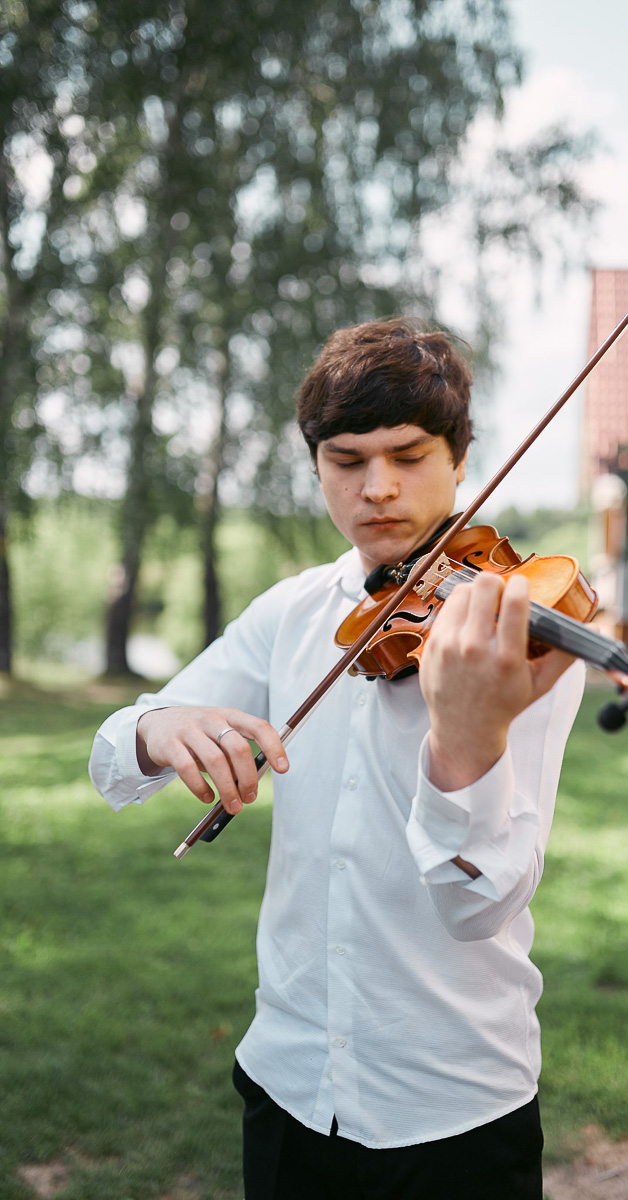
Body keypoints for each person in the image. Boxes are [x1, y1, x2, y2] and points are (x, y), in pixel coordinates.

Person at [89, 317, 585, 1200]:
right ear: (316, 465)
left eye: (408, 454)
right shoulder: (291, 611)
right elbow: (116, 751)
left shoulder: (514, 633)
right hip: (288, 1081)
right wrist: (157, 729)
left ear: (460, 457)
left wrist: (465, 746)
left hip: (452, 1105)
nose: (378, 488)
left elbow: (480, 903)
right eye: (346, 461)